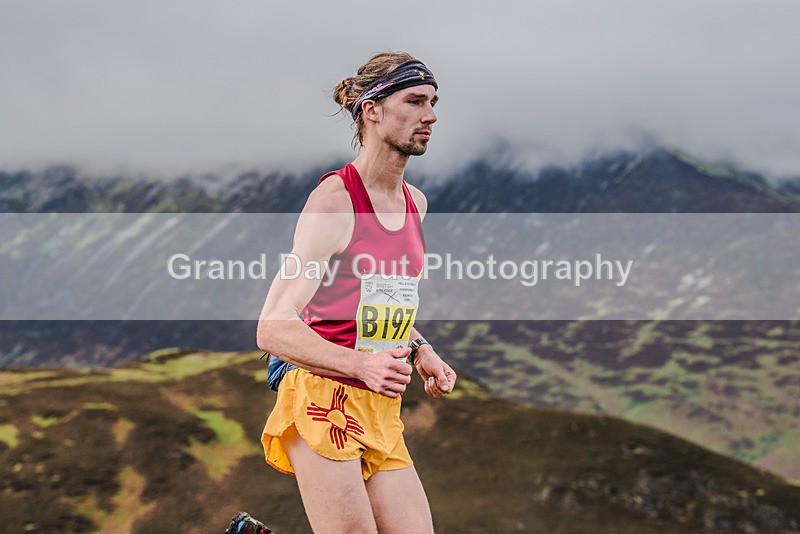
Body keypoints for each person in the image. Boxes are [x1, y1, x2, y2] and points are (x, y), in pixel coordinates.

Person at [255, 51, 457, 534]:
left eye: (433, 102)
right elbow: (272, 326)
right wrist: (359, 364)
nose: (430, 115)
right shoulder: (335, 202)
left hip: (378, 408)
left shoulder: (415, 204)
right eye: (414, 101)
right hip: (321, 394)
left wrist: (420, 347)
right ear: (372, 110)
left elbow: (373, 301)